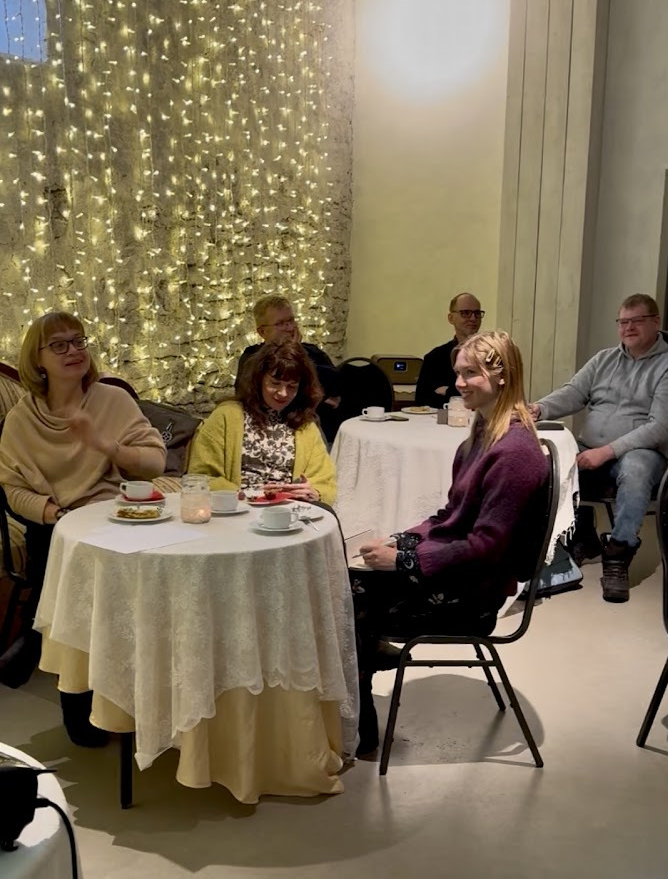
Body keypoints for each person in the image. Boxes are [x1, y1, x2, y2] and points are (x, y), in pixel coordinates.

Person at [353, 330, 549, 754]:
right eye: (458, 373)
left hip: (475, 595)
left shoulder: (515, 452)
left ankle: (360, 723)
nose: (459, 383)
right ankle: (362, 663)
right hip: (461, 572)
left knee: (349, 597)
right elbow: (448, 518)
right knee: (348, 578)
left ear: (502, 376)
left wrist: (403, 561)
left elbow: (486, 547)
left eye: (470, 374)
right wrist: (401, 541)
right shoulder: (481, 437)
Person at [0, 311, 166, 743]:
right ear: (37, 360)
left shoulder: (112, 401)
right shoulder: (21, 420)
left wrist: (107, 445)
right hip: (58, 526)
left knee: (130, 614)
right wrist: (57, 515)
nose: (74, 351)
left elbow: (154, 463)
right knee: (75, 606)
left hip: (117, 521)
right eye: (59, 345)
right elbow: (13, 490)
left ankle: (133, 703)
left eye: (79, 341)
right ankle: (78, 700)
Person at [531, 293, 668, 603]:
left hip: (642, 452)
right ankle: (579, 534)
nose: (628, 328)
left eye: (637, 321)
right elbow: (574, 393)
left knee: (636, 470)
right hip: (590, 444)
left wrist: (606, 451)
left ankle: (618, 555)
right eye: (623, 322)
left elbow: (661, 427)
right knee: (545, 459)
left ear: (656, 322)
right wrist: (539, 408)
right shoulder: (604, 359)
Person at [189, 340, 336, 505]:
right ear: (258, 379)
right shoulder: (227, 416)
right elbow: (201, 476)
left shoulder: (306, 426)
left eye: (292, 387)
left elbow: (325, 482)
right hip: (238, 508)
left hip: (290, 510)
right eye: (275, 383)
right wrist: (245, 495)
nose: (283, 393)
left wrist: (314, 492)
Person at [236, 295, 341, 442]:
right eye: (280, 323)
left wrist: (298, 353)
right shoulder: (252, 356)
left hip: (311, 428)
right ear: (262, 332)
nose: (290, 328)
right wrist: (321, 397)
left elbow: (336, 385)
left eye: (291, 321)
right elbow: (248, 393)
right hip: (264, 430)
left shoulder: (311, 351)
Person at [415, 292, 485, 408]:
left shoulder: (490, 354)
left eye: (477, 313)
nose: (473, 318)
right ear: (451, 318)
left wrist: (448, 391)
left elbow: (493, 393)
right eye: (465, 313)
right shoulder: (435, 358)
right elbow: (422, 402)